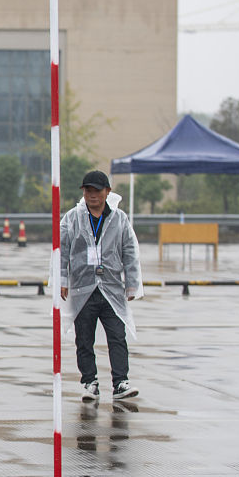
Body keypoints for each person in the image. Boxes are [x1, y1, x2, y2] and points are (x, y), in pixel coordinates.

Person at [59, 170, 143, 401]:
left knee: (117, 336)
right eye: (88, 190)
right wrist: (62, 280)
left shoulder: (119, 218)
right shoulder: (73, 218)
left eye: (97, 190)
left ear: (107, 191)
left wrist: (132, 284)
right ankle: (90, 382)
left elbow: (129, 250)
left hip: (111, 288)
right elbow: (62, 251)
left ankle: (121, 382)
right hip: (82, 289)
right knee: (84, 339)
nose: (92, 195)